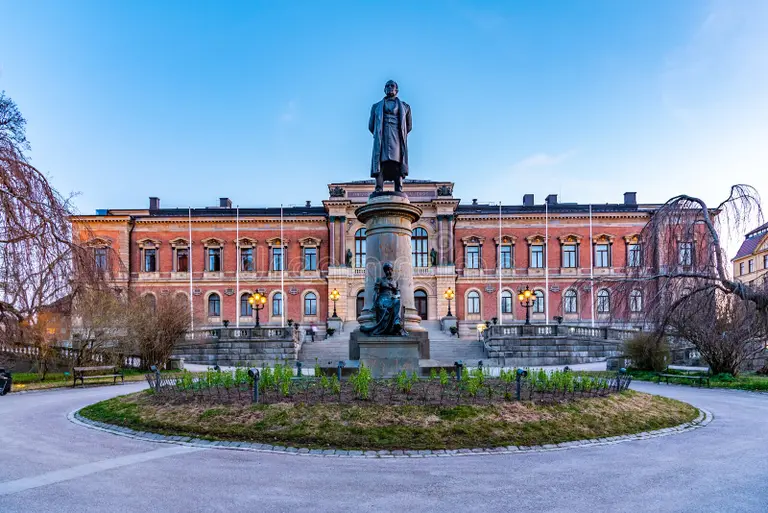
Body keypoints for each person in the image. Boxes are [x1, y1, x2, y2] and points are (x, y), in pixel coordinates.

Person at [368, 80, 412, 193]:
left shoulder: (405, 107)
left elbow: (409, 126)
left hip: (397, 138)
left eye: (392, 85)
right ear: (384, 89)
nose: (390, 87)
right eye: (387, 86)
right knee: (380, 163)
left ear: (397, 90)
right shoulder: (376, 107)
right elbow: (371, 125)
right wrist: (380, 133)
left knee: (398, 162)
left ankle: (399, 188)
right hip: (381, 139)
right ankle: (378, 188)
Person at [360, 262, 406, 336]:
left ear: (392, 270)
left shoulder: (395, 281)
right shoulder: (380, 280)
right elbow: (376, 292)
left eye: (390, 269)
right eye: (387, 270)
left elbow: (397, 293)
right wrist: (374, 303)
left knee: (397, 301)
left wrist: (395, 289)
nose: (388, 271)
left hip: (392, 298)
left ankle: (396, 323)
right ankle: (391, 325)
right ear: (385, 271)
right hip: (383, 297)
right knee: (383, 304)